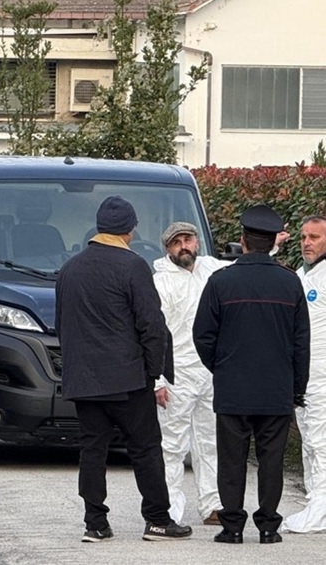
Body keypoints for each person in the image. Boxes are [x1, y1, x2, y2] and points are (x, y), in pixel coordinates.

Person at [55, 195, 192, 543]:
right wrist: (153, 373)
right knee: (145, 448)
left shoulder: (70, 268)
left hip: (84, 380)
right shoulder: (133, 266)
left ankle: (95, 523)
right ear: (130, 229)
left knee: (92, 450)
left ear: (99, 227)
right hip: (128, 379)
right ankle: (158, 520)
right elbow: (152, 325)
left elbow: (62, 325)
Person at [193, 204, 310, 545]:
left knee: (232, 460)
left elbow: (202, 335)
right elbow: (302, 343)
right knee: (271, 460)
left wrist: (222, 367)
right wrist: (296, 388)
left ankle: (232, 527)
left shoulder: (221, 281)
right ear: (274, 241)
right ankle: (269, 527)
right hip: (276, 389)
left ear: (242, 241)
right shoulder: (290, 283)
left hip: (233, 388)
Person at [153, 222, 225, 526]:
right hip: (176, 373)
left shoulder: (211, 268)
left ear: (197, 242)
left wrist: (272, 245)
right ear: (168, 248)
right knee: (172, 445)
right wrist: (157, 380)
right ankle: (168, 509)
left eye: (188, 239)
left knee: (209, 441)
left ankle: (213, 504)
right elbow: (154, 334)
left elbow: (243, 267)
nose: (184, 246)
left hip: (209, 371)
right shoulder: (160, 282)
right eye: (177, 242)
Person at [282, 215, 326, 533]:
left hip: (323, 375)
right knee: (309, 442)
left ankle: (321, 509)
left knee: (321, 443)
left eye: (314, 237)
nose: (307, 243)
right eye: (303, 237)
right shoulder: (301, 275)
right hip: (303, 377)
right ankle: (316, 500)